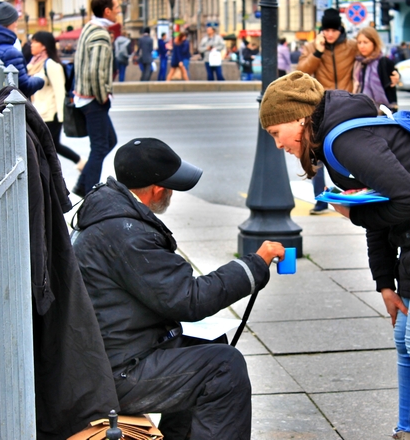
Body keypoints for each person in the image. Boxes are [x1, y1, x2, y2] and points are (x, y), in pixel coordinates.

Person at [259, 71, 410, 440]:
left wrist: (353, 213)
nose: (278, 145)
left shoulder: (345, 140)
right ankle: (408, 431)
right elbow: (379, 204)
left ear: (298, 117)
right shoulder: (339, 136)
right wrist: (385, 283)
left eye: (276, 134)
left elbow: (408, 200)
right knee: (407, 339)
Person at [72, 137, 285, 439]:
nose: (171, 193)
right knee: (224, 368)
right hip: (117, 372)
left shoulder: (112, 214)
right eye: (170, 186)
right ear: (158, 189)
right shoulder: (126, 234)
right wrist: (255, 265)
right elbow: (190, 299)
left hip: (113, 356)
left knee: (208, 348)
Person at [296, 8, 357, 215]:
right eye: (326, 30)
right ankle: (320, 200)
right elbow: (302, 71)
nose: (330, 34)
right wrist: (318, 52)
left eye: (334, 30)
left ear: (340, 29)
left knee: (349, 153)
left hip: (347, 105)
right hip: (320, 107)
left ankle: (353, 195)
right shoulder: (313, 46)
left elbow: (369, 57)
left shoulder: (351, 47)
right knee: (317, 155)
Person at [72, 0, 121, 198]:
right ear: (107, 11)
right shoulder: (100, 33)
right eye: (116, 7)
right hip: (93, 99)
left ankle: (82, 185)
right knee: (101, 147)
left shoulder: (88, 28)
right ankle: (90, 194)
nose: (119, 11)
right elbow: (97, 70)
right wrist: (102, 96)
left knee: (109, 141)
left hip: (84, 96)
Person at [27, 31, 85, 171]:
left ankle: (76, 163)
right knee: (49, 146)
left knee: (48, 147)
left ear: (44, 46)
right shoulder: (34, 64)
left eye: (35, 42)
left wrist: (61, 116)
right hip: (39, 112)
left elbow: (60, 92)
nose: (32, 45)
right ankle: (79, 162)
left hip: (51, 114)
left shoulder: (51, 65)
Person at [0, 1, 45, 98]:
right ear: (9, 22)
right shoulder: (10, 52)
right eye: (15, 20)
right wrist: (40, 78)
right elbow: (24, 87)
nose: (16, 24)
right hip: (9, 109)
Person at [353, 27, 399, 113]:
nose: (362, 46)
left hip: (382, 112)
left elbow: (392, 84)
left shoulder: (384, 61)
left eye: (365, 42)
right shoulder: (358, 63)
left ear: (374, 43)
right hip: (361, 110)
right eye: (359, 42)